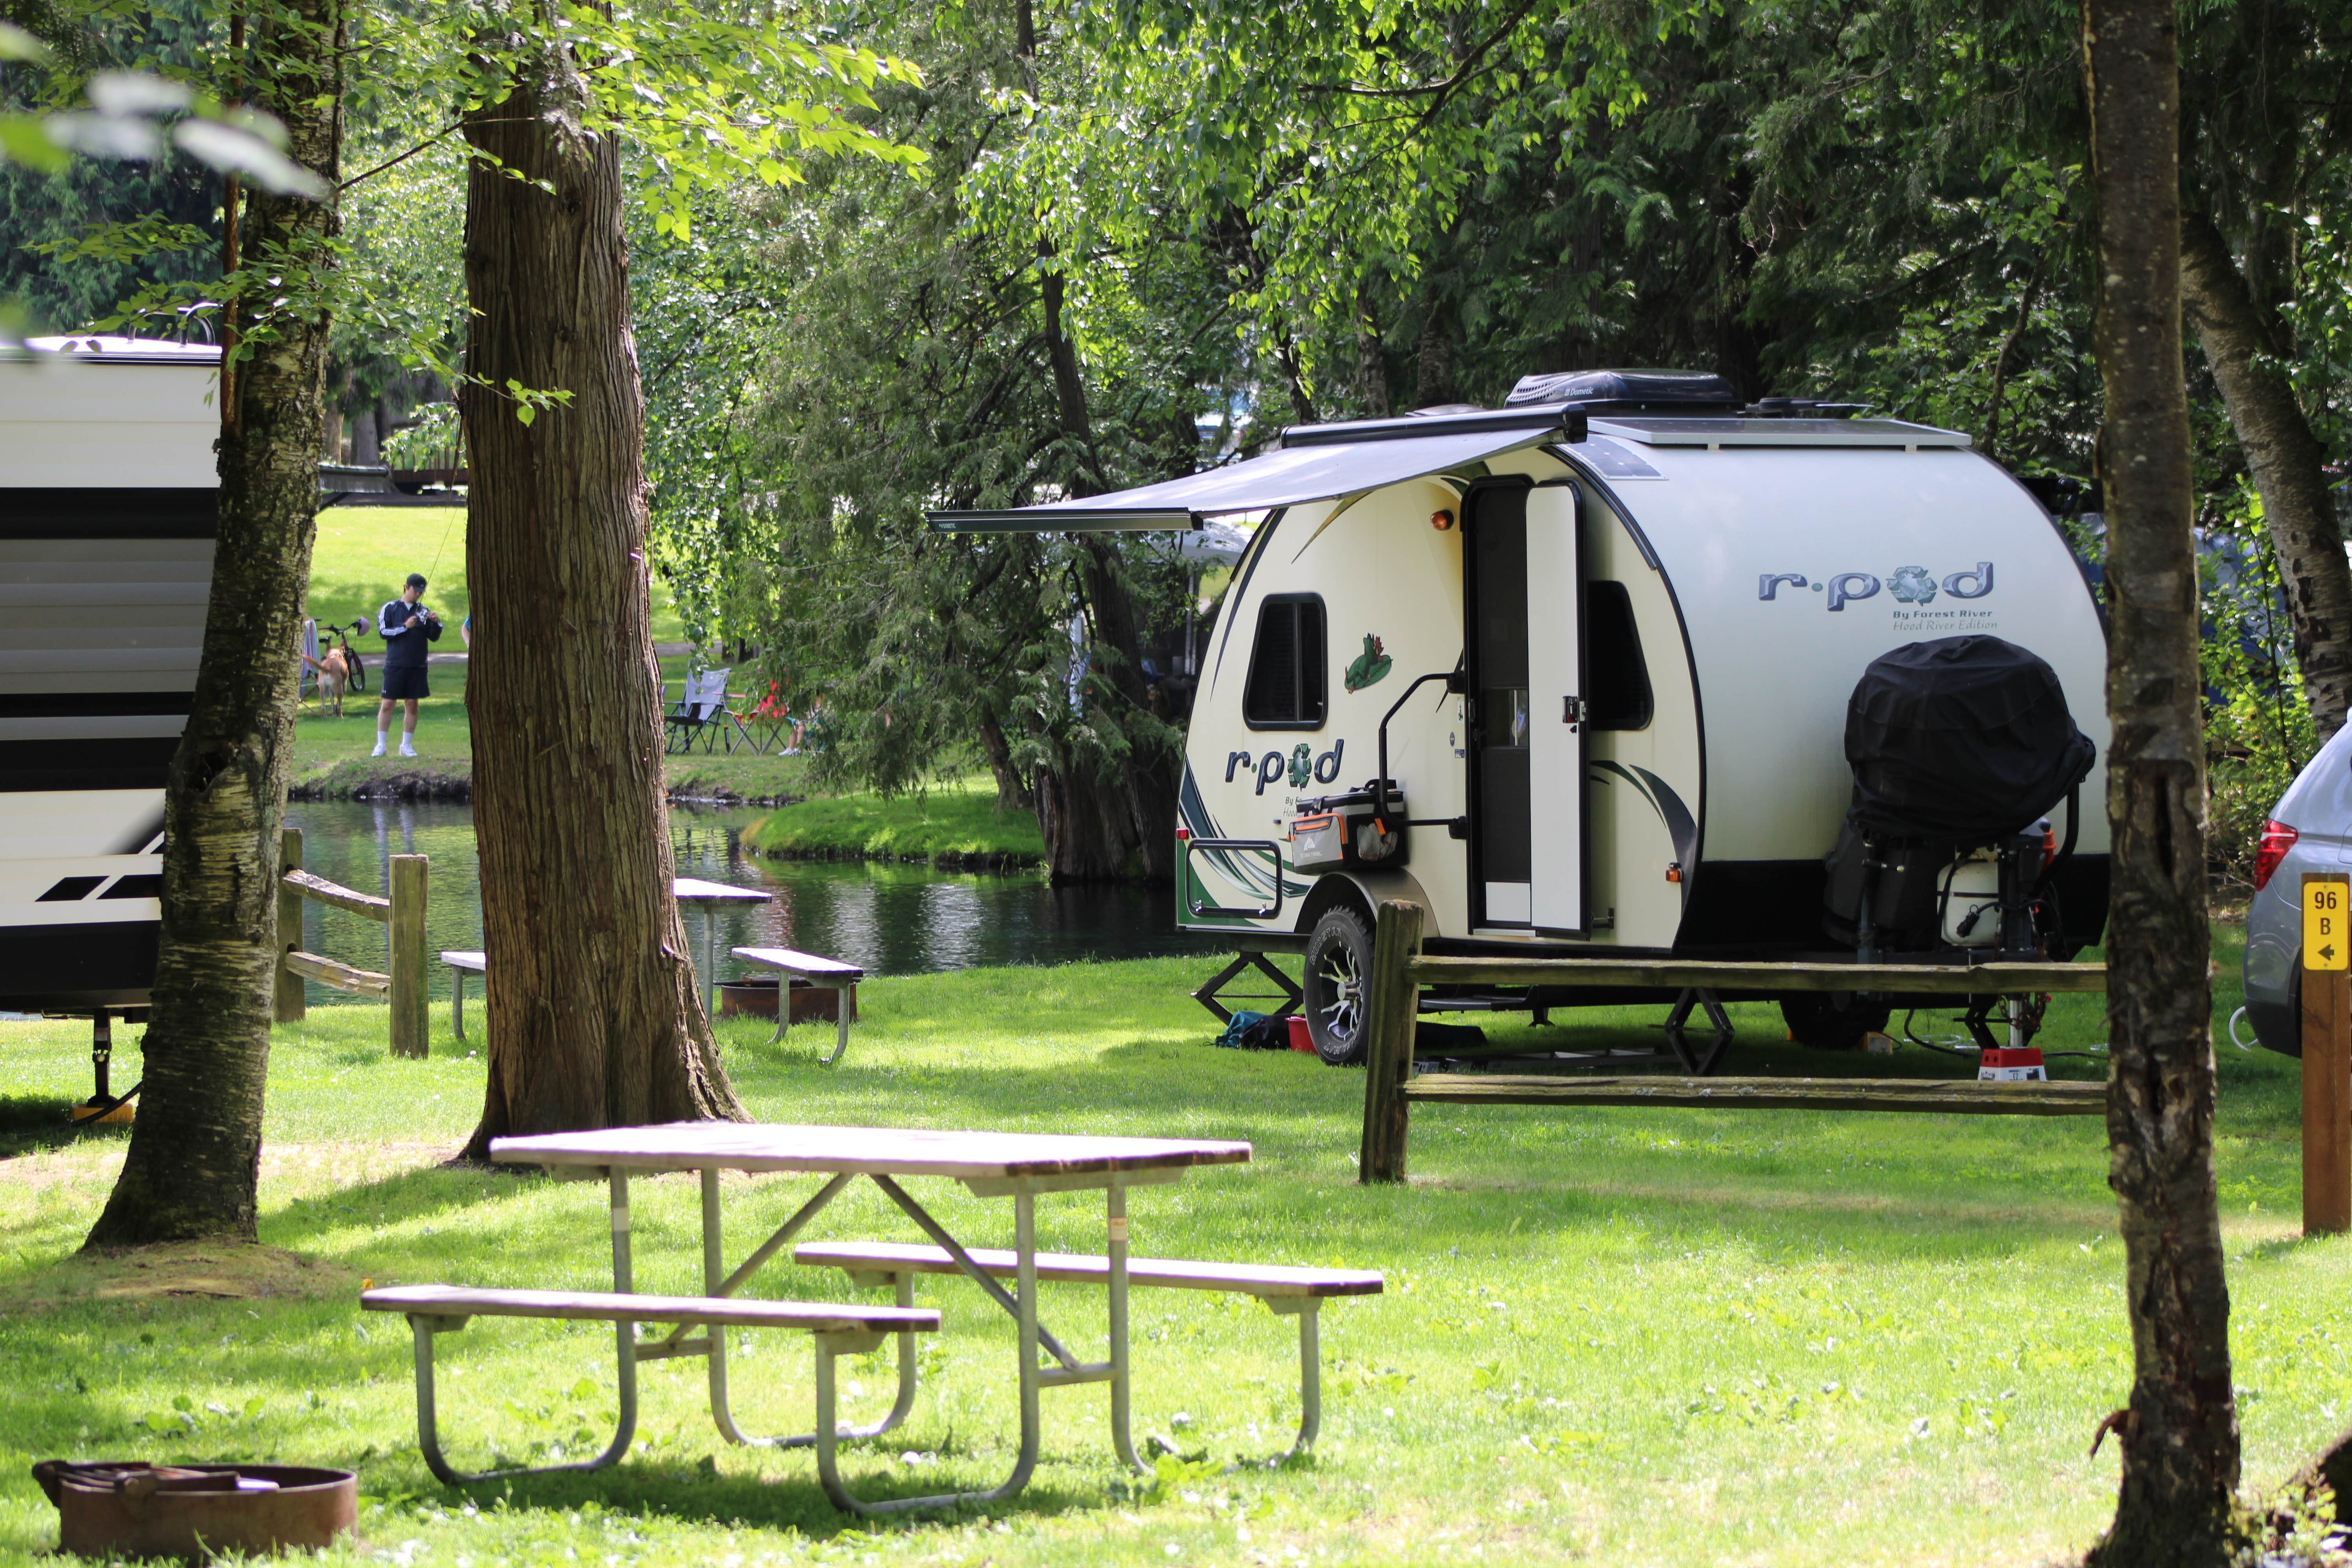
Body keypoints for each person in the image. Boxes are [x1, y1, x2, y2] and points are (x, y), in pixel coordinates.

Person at [373, 572, 442, 757]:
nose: (418, 595)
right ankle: (381, 745)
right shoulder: (390, 608)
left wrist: (436, 623)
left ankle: (406, 745)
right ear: (406, 587)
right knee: (388, 703)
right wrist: (405, 628)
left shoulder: (423, 611)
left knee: (412, 704)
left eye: (421, 592)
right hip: (396, 664)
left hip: (417, 665)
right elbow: (384, 632)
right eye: (415, 591)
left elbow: (433, 637)